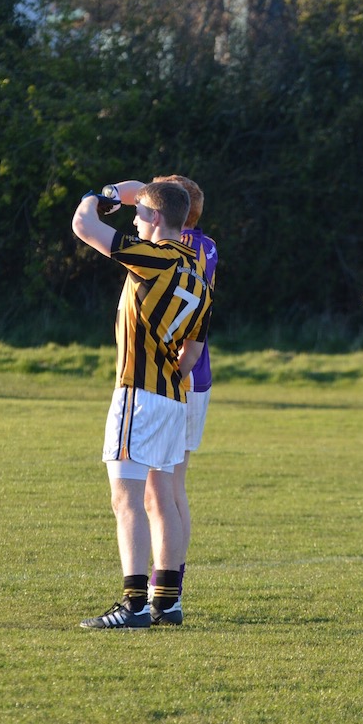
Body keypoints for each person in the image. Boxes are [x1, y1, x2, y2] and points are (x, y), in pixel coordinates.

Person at [71, 180, 213, 629]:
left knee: (125, 498)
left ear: (155, 219)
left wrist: (101, 196)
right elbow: (190, 354)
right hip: (173, 397)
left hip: (139, 390)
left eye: (139, 214)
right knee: (162, 498)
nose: (134, 220)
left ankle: (133, 604)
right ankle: (167, 600)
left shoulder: (156, 257)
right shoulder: (198, 272)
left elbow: (82, 225)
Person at [144, 172, 218, 625]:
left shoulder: (176, 244)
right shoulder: (206, 244)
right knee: (173, 488)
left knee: (158, 491)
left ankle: (163, 589)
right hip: (199, 372)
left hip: (175, 374)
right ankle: (171, 586)